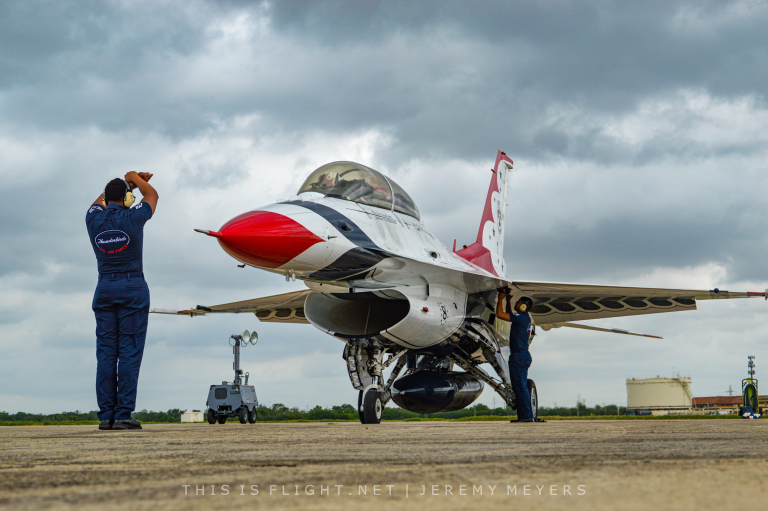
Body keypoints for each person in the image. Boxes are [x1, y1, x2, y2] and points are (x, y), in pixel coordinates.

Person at [85, 172, 158, 430]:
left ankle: (106, 415)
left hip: (104, 286)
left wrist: (127, 184)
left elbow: (99, 200)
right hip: (132, 287)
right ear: (127, 199)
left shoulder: (92, 219)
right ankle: (123, 413)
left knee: (106, 353)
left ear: (106, 198)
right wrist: (135, 179)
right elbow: (152, 196)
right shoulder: (133, 217)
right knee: (129, 351)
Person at [496, 290, 545, 423]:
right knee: (521, 386)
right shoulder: (524, 317)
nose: (516, 304)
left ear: (523, 306)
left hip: (519, 357)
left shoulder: (521, 317)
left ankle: (526, 416)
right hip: (522, 356)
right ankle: (527, 415)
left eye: (518, 303)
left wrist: (500, 299)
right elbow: (510, 314)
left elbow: (500, 315)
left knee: (520, 387)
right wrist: (507, 301)